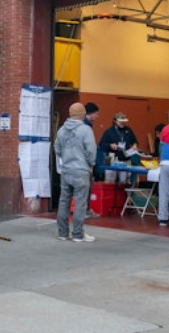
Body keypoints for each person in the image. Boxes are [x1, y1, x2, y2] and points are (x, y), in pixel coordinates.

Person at [55, 102, 97, 242]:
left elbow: (57, 149)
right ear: (83, 114)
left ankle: (63, 233)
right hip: (81, 171)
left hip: (66, 171)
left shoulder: (61, 130)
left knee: (64, 200)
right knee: (80, 202)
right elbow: (91, 151)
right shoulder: (86, 130)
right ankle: (78, 234)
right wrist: (90, 164)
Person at [99, 112, 139, 185]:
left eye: (123, 121)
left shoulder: (128, 130)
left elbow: (135, 141)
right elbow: (101, 144)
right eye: (120, 121)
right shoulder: (109, 131)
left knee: (124, 181)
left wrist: (134, 145)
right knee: (110, 180)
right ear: (115, 121)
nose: (122, 123)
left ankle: (124, 195)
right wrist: (110, 145)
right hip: (111, 157)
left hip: (125, 158)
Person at [83, 102, 101, 219]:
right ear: (92, 113)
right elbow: (90, 146)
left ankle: (85, 210)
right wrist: (92, 161)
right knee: (85, 187)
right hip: (85, 163)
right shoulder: (86, 126)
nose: (97, 116)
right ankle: (85, 211)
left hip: (75, 162)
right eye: (96, 114)